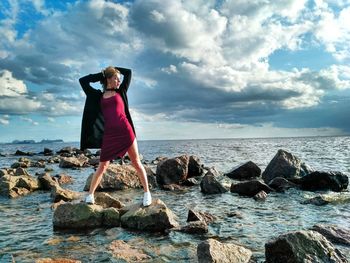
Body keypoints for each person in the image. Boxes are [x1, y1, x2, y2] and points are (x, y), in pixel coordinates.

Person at [78, 66, 152, 206]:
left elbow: (129, 72)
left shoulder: (121, 91)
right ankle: (90, 195)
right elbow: (83, 81)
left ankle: (147, 193)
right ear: (108, 79)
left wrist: (114, 68)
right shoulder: (97, 96)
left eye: (119, 79)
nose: (118, 81)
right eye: (116, 79)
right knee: (102, 166)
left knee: (136, 162)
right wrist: (101, 74)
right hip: (110, 135)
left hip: (126, 132)